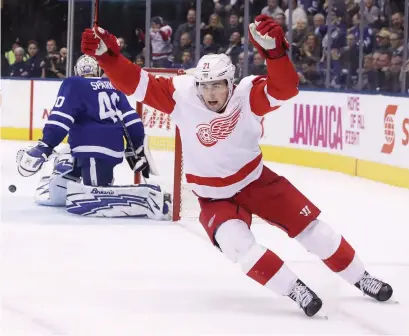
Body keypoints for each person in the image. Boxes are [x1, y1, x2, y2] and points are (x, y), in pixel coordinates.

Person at [80, 16, 393, 317]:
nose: (210, 94)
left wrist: (275, 53)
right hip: (214, 196)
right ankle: (294, 288)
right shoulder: (183, 96)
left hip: (257, 182)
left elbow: (285, 88)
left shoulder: (247, 94)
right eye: (204, 86)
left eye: (217, 86)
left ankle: (361, 277)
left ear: (230, 82)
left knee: (315, 231)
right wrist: (108, 58)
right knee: (237, 247)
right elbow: (137, 83)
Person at [17, 55, 170, 220]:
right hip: (111, 147)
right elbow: (131, 119)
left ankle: (144, 198)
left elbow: (61, 118)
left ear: (77, 70)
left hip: (90, 147)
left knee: (95, 190)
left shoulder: (74, 83)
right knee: (67, 151)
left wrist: (45, 145)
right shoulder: (113, 84)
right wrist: (138, 145)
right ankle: (66, 174)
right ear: (98, 70)